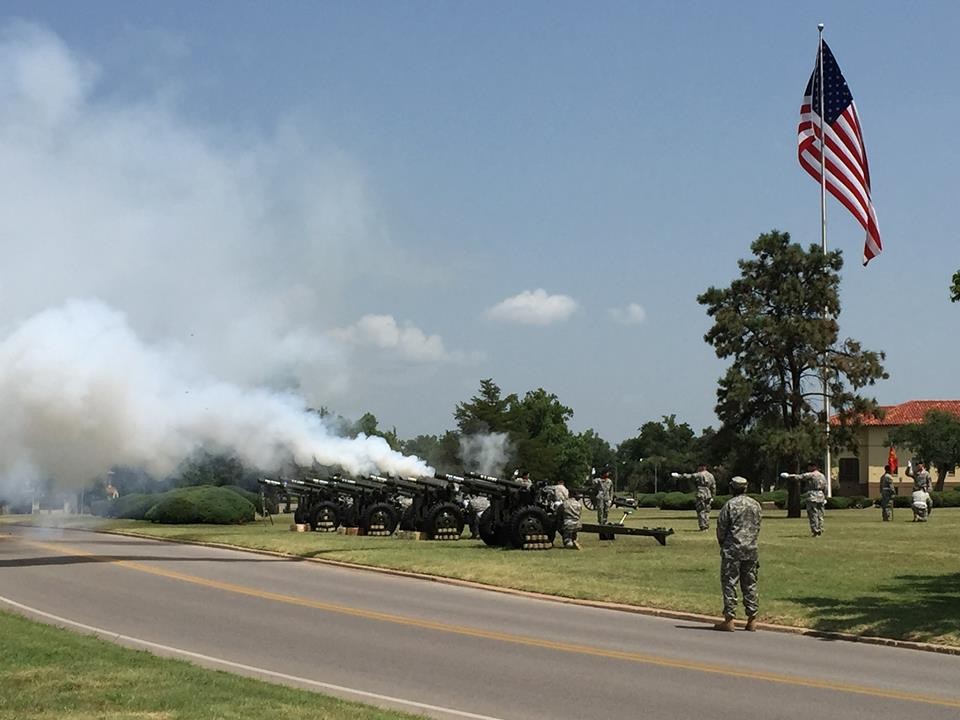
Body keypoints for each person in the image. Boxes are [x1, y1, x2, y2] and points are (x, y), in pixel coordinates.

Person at [715, 476, 761, 631]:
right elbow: (757, 526)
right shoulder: (755, 505)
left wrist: (723, 544)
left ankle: (729, 619)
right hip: (751, 549)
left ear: (732, 488)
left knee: (730, 583)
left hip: (732, 550)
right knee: (750, 583)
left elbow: (721, 528)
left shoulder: (729, 505)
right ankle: (752, 619)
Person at [781, 462, 827, 536]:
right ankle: (820, 528)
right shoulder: (822, 476)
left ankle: (815, 530)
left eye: (809, 467)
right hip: (821, 495)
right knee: (820, 514)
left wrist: (788, 476)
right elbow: (825, 486)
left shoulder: (811, 474)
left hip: (812, 496)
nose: (808, 469)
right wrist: (825, 496)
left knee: (813, 514)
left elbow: (800, 477)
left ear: (813, 467)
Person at [671, 463, 716, 531]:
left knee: (700, 510)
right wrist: (712, 496)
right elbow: (713, 486)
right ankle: (706, 525)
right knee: (707, 510)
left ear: (702, 467)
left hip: (701, 493)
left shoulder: (699, 474)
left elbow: (689, 476)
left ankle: (703, 526)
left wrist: (679, 475)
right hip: (708, 493)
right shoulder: (711, 475)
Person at [548, 478, 581, 549]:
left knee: (566, 540)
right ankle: (574, 540)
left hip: (568, 525)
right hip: (577, 525)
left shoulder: (564, 504)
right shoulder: (579, 504)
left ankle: (570, 544)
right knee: (573, 533)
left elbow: (558, 517)